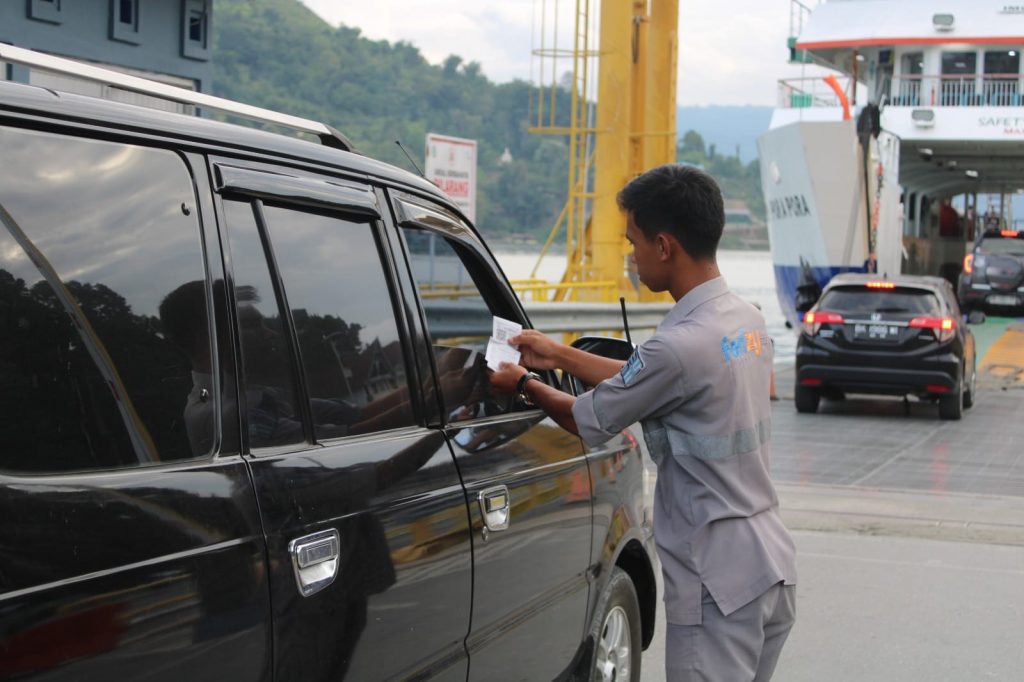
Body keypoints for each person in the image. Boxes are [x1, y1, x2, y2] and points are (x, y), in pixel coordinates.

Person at [490, 164, 797, 681]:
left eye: (633, 243)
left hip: (716, 575)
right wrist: (557, 354)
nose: (631, 257)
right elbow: (652, 377)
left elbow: (588, 418)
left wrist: (521, 384)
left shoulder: (678, 346)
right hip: (767, 564)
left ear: (664, 245)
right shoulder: (743, 319)